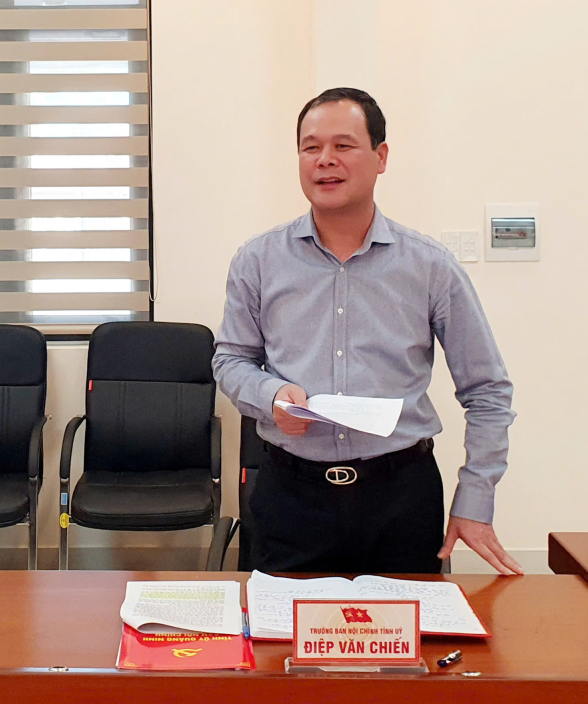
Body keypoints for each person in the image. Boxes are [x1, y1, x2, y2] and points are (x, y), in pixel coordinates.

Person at [212, 87, 522, 576]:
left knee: (403, 646)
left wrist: (475, 499)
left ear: (380, 157)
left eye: (343, 145)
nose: (324, 161)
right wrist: (270, 395)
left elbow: (487, 390)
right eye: (310, 147)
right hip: (292, 497)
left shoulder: (430, 267)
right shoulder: (258, 260)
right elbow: (230, 359)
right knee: (283, 646)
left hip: (400, 497)